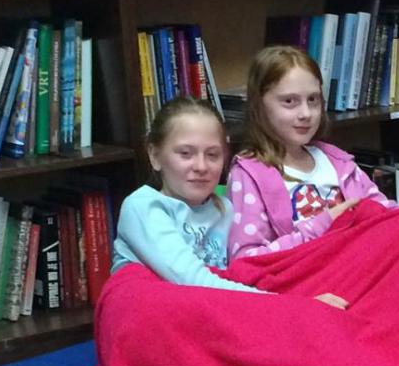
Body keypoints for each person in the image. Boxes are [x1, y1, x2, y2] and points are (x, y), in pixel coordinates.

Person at [113, 95, 347, 306]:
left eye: (212, 155)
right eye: (185, 153)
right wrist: (291, 306)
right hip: (168, 310)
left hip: (220, 305)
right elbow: (191, 280)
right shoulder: (143, 207)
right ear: (154, 155)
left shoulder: (224, 208)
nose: (201, 166)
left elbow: (258, 265)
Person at [227, 46, 392, 261]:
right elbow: (246, 259)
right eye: (289, 101)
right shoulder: (249, 174)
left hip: (360, 261)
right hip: (308, 272)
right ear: (259, 106)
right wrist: (323, 225)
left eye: (313, 100)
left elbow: (388, 216)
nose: (306, 114)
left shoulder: (339, 162)